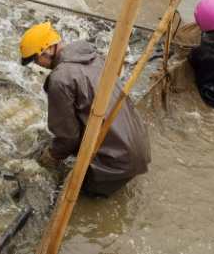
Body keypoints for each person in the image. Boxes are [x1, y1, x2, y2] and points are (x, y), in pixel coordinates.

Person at [19, 22, 150, 197]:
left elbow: (68, 137)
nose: (37, 65)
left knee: (69, 194)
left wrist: (49, 157)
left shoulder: (60, 79)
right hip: (139, 148)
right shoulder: (93, 56)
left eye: (36, 59)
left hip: (115, 163)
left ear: (48, 50)